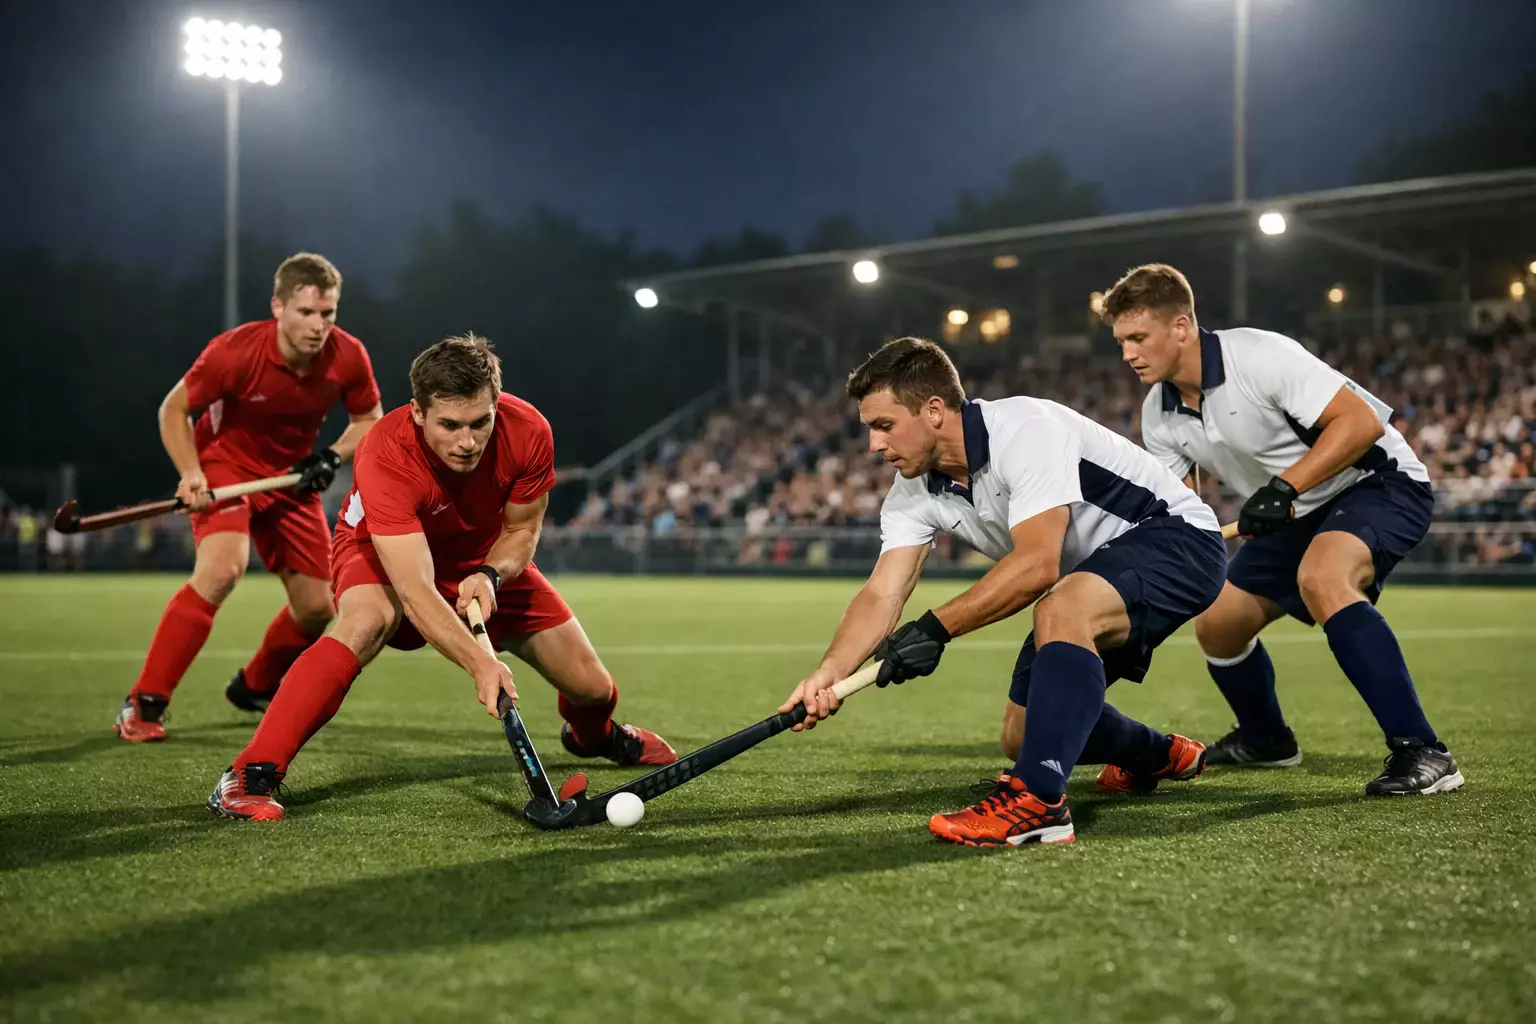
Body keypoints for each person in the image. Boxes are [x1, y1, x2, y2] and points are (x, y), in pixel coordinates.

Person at [208, 334, 677, 821]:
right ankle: (249, 774)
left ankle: (595, 738)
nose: (467, 441)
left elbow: (520, 529)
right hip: (380, 550)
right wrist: (479, 662)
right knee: (366, 620)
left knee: (594, 689)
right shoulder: (384, 454)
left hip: (480, 554)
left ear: (497, 405)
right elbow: (413, 590)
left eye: (480, 423)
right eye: (450, 425)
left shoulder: (529, 431)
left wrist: (492, 575)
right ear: (417, 412)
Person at [781, 338, 1226, 847]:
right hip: (1091, 579)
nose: (873, 446)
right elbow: (883, 592)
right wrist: (830, 674)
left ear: (933, 411)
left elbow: (1038, 565)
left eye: (884, 426)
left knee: (1060, 606)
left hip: (1177, 540)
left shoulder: (1025, 430)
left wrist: (935, 629)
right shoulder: (911, 491)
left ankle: (1040, 803)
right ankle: (1158, 755)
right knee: (1024, 735)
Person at [1108, 263, 1461, 795]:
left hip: (1377, 483)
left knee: (1323, 577)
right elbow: (1180, 514)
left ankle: (1424, 751)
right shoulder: (1157, 413)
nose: (1128, 354)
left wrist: (1284, 490)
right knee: (1219, 623)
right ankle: (1266, 739)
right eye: (1120, 341)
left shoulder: (1259, 356)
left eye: (1138, 337)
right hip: (1295, 509)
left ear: (1180, 326)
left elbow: (1362, 423)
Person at [116, 254, 382, 742]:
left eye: (328, 314)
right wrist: (192, 473)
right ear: (277, 307)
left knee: (318, 608)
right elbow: (174, 409)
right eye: (306, 312)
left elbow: (369, 420)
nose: (318, 325)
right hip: (225, 466)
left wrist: (332, 456)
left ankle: (255, 684)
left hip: (289, 480)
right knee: (222, 569)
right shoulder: (234, 352)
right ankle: (143, 703)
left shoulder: (347, 355)